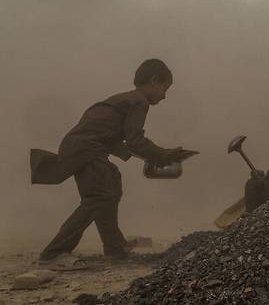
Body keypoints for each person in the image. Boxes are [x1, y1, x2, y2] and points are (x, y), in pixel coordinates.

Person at [37, 59, 193, 269]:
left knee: (111, 185)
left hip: (83, 147)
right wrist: (163, 155)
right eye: (165, 88)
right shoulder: (139, 101)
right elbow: (135, 140)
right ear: (154, 81)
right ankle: (53, 253)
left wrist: (149, 156)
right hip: (86, 148)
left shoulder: (124, 99)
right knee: (99, 196)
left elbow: (113, 138)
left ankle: (114, 247)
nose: (164, 96)